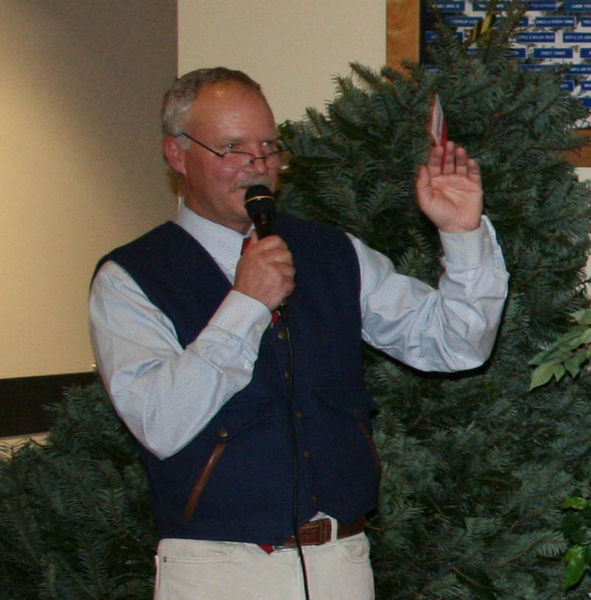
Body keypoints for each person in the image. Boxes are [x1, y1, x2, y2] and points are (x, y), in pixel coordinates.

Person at [89, 67, 509, 600]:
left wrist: (462, 233)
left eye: (268, 147)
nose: (257, 167)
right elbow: (159, 421)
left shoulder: (331, 252)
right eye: (233, 149)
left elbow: (456, 345)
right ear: (177, 155)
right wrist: (245, 304)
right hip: (216, 567)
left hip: (339, 556)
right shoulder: (131, 277)